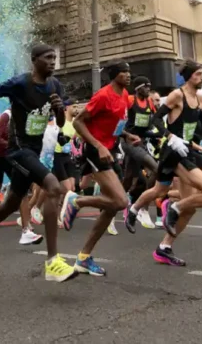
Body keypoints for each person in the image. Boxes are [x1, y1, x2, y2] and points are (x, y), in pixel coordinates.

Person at [0, 44, 77, 283]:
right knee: (53, 187)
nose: (53, 61)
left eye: (55, 58)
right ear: (34, 60)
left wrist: (59, 110)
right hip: (17, 150)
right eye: (48, 58)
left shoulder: (55, 85)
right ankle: (52, 261)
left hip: (34, 150)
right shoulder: (20, 83)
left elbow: (59, 122)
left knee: (11, 203)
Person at [136, 61, 202, 266]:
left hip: (190, 149)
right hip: (175, 151)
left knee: (197, 199)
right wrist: (170, 137)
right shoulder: (176, 95)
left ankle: (165, 247)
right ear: (189, 77)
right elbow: (156, 120)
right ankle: (166, 207)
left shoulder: (200, 98)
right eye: (198, 74)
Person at [61, 62, 136, 276]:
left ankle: (83, 258)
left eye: (129, 72)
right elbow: (78, 123)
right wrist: (99, 145)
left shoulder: (123, 95)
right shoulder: (103, 95)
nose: (128, 75)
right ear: (114, 76)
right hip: (95, 152)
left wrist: (125, 135)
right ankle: (77, 200)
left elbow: (112, 124)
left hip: (109, 150)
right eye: (124, 72)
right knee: (121, 201)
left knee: (111, 207)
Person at [120, 76, 161, 233]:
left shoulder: (150, 103)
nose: (149, 89)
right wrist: (121, 135)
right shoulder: (130, 100)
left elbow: (152, 124)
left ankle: (111, 206)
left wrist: (158, 136)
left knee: (128, 179)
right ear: (138, 88)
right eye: (146, 86)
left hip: (141, 141)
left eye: (150, 86)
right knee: (156, 169)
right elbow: (118, 121)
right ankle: (142, 208)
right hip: (129, 142)